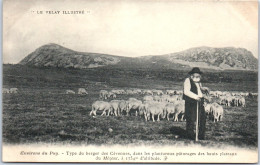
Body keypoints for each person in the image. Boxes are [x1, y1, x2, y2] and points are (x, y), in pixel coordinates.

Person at [183, 67, 206, 140]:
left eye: (198, 74)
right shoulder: (187, 80)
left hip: (199, 101)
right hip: (191, 102)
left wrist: (203, 91)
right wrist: (196, 97)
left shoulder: (199, 83)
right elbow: (186, 92)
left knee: (202, 119)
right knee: (191, 119)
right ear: (191, 75)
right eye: (195, 74)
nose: (197, 76)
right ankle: (190, 136)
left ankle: (200, 136)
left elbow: (199, 91)